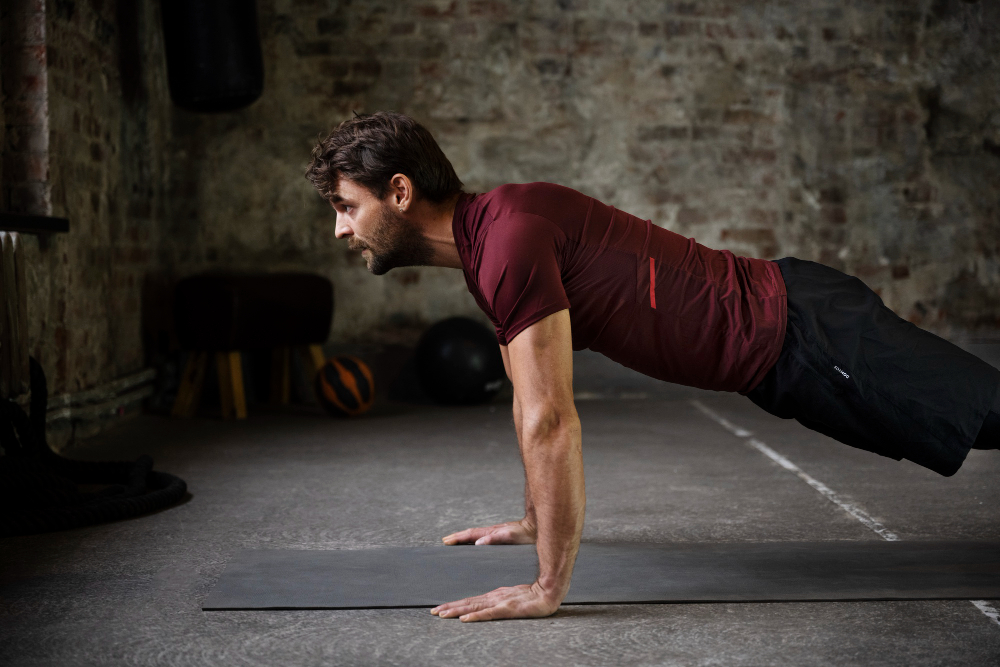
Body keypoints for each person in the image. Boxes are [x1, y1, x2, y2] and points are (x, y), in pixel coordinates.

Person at [305, 111, 1000, 622]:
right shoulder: (494, 235)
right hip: (789, 343)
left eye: (346, 205)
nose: (340, 228)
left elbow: (552, 419)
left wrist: (547, 585)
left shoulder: (507, 243)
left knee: (983, 415)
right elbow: (527, 395)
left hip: (809, 337)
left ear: (399, 192)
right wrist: (529, 518)